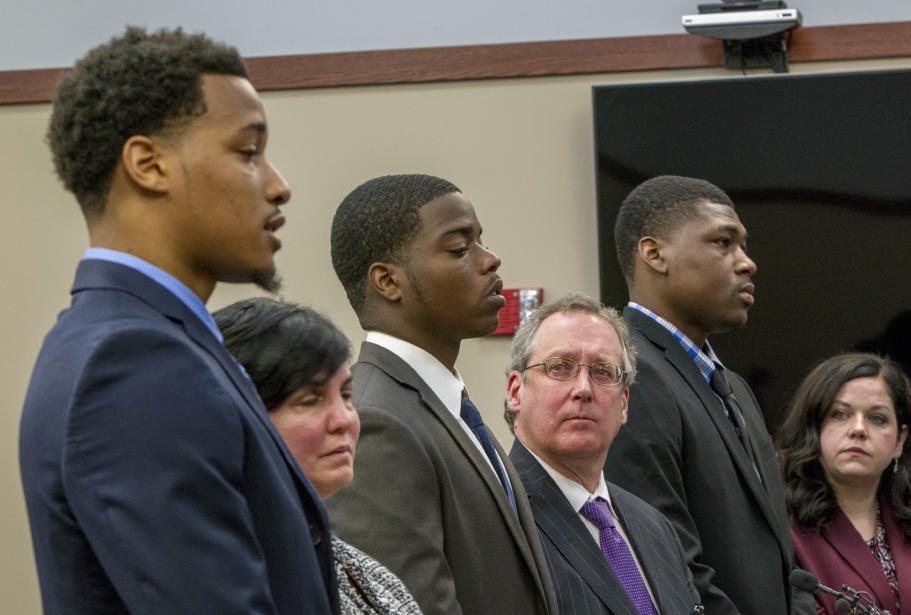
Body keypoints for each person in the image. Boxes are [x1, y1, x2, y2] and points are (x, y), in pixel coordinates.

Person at [19, 28, 338, 614]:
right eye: (247, 152)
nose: (278, 185)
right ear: (149, 164)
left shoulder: (135, 338)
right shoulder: (135, 362)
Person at [325, 173, 557, 615]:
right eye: (458, 249)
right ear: (387, 282)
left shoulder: (445, 406)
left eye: (481, 242)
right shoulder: (376, 422)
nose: (490, 260)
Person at [604, 175, 802, 615]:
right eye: (723, 242)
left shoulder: (734, 387)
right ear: (655, 254)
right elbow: (668, 562)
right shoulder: (627, 371)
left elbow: (781, 554)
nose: (746, 262)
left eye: (743, 245)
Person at [215, 298, 424, 615]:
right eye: (310, 399)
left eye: (345, 395)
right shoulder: (229, 577)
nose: (344, 419)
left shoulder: (350, 562)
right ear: (241, 416)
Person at [505, 292, 702, 615]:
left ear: (623, 403)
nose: (583, 389)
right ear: (516, 391)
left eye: (602, 372)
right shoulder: (497, 512)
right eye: (560, 367)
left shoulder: (656, 527)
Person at [778, 352, 911, 615]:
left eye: (877, 418)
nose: (859, 429)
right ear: (813, 430)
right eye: (840, 414)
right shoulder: (782, 533)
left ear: (900, 441)